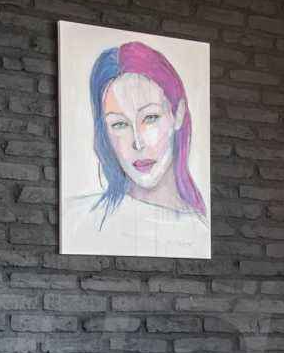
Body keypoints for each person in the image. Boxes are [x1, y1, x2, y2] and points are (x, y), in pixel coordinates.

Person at [66, 40, 210, 257]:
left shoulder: (201, 234)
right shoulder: (76, 219)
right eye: (119, 124)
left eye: (150, 118)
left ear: (178, 114)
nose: (138, 143)